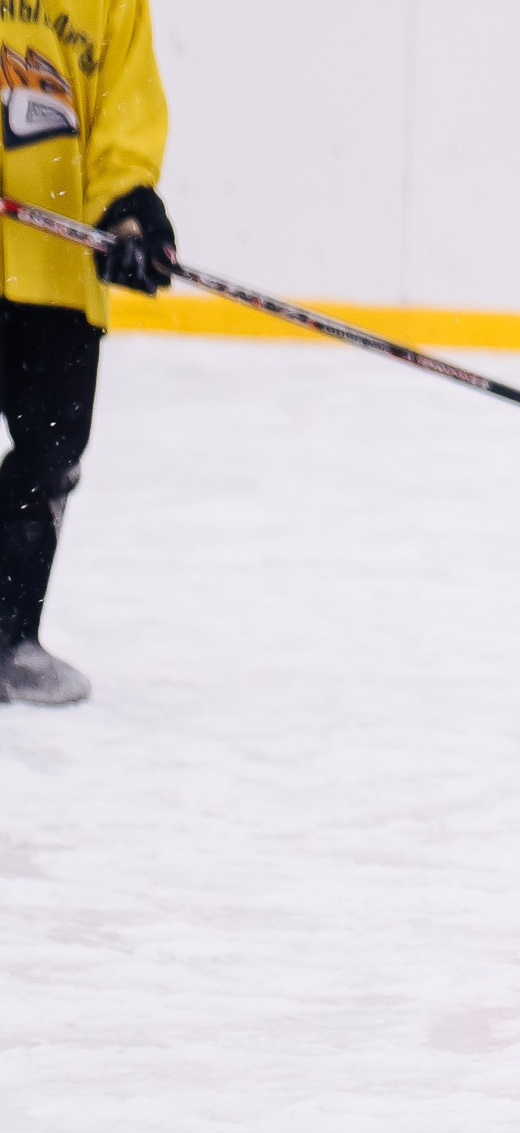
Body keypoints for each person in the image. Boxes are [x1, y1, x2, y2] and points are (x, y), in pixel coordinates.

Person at [0, 0, 174, 706]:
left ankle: (10, 639)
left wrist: (129, 213)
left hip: (57, 270)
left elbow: (124, 112)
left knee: (50, 455)